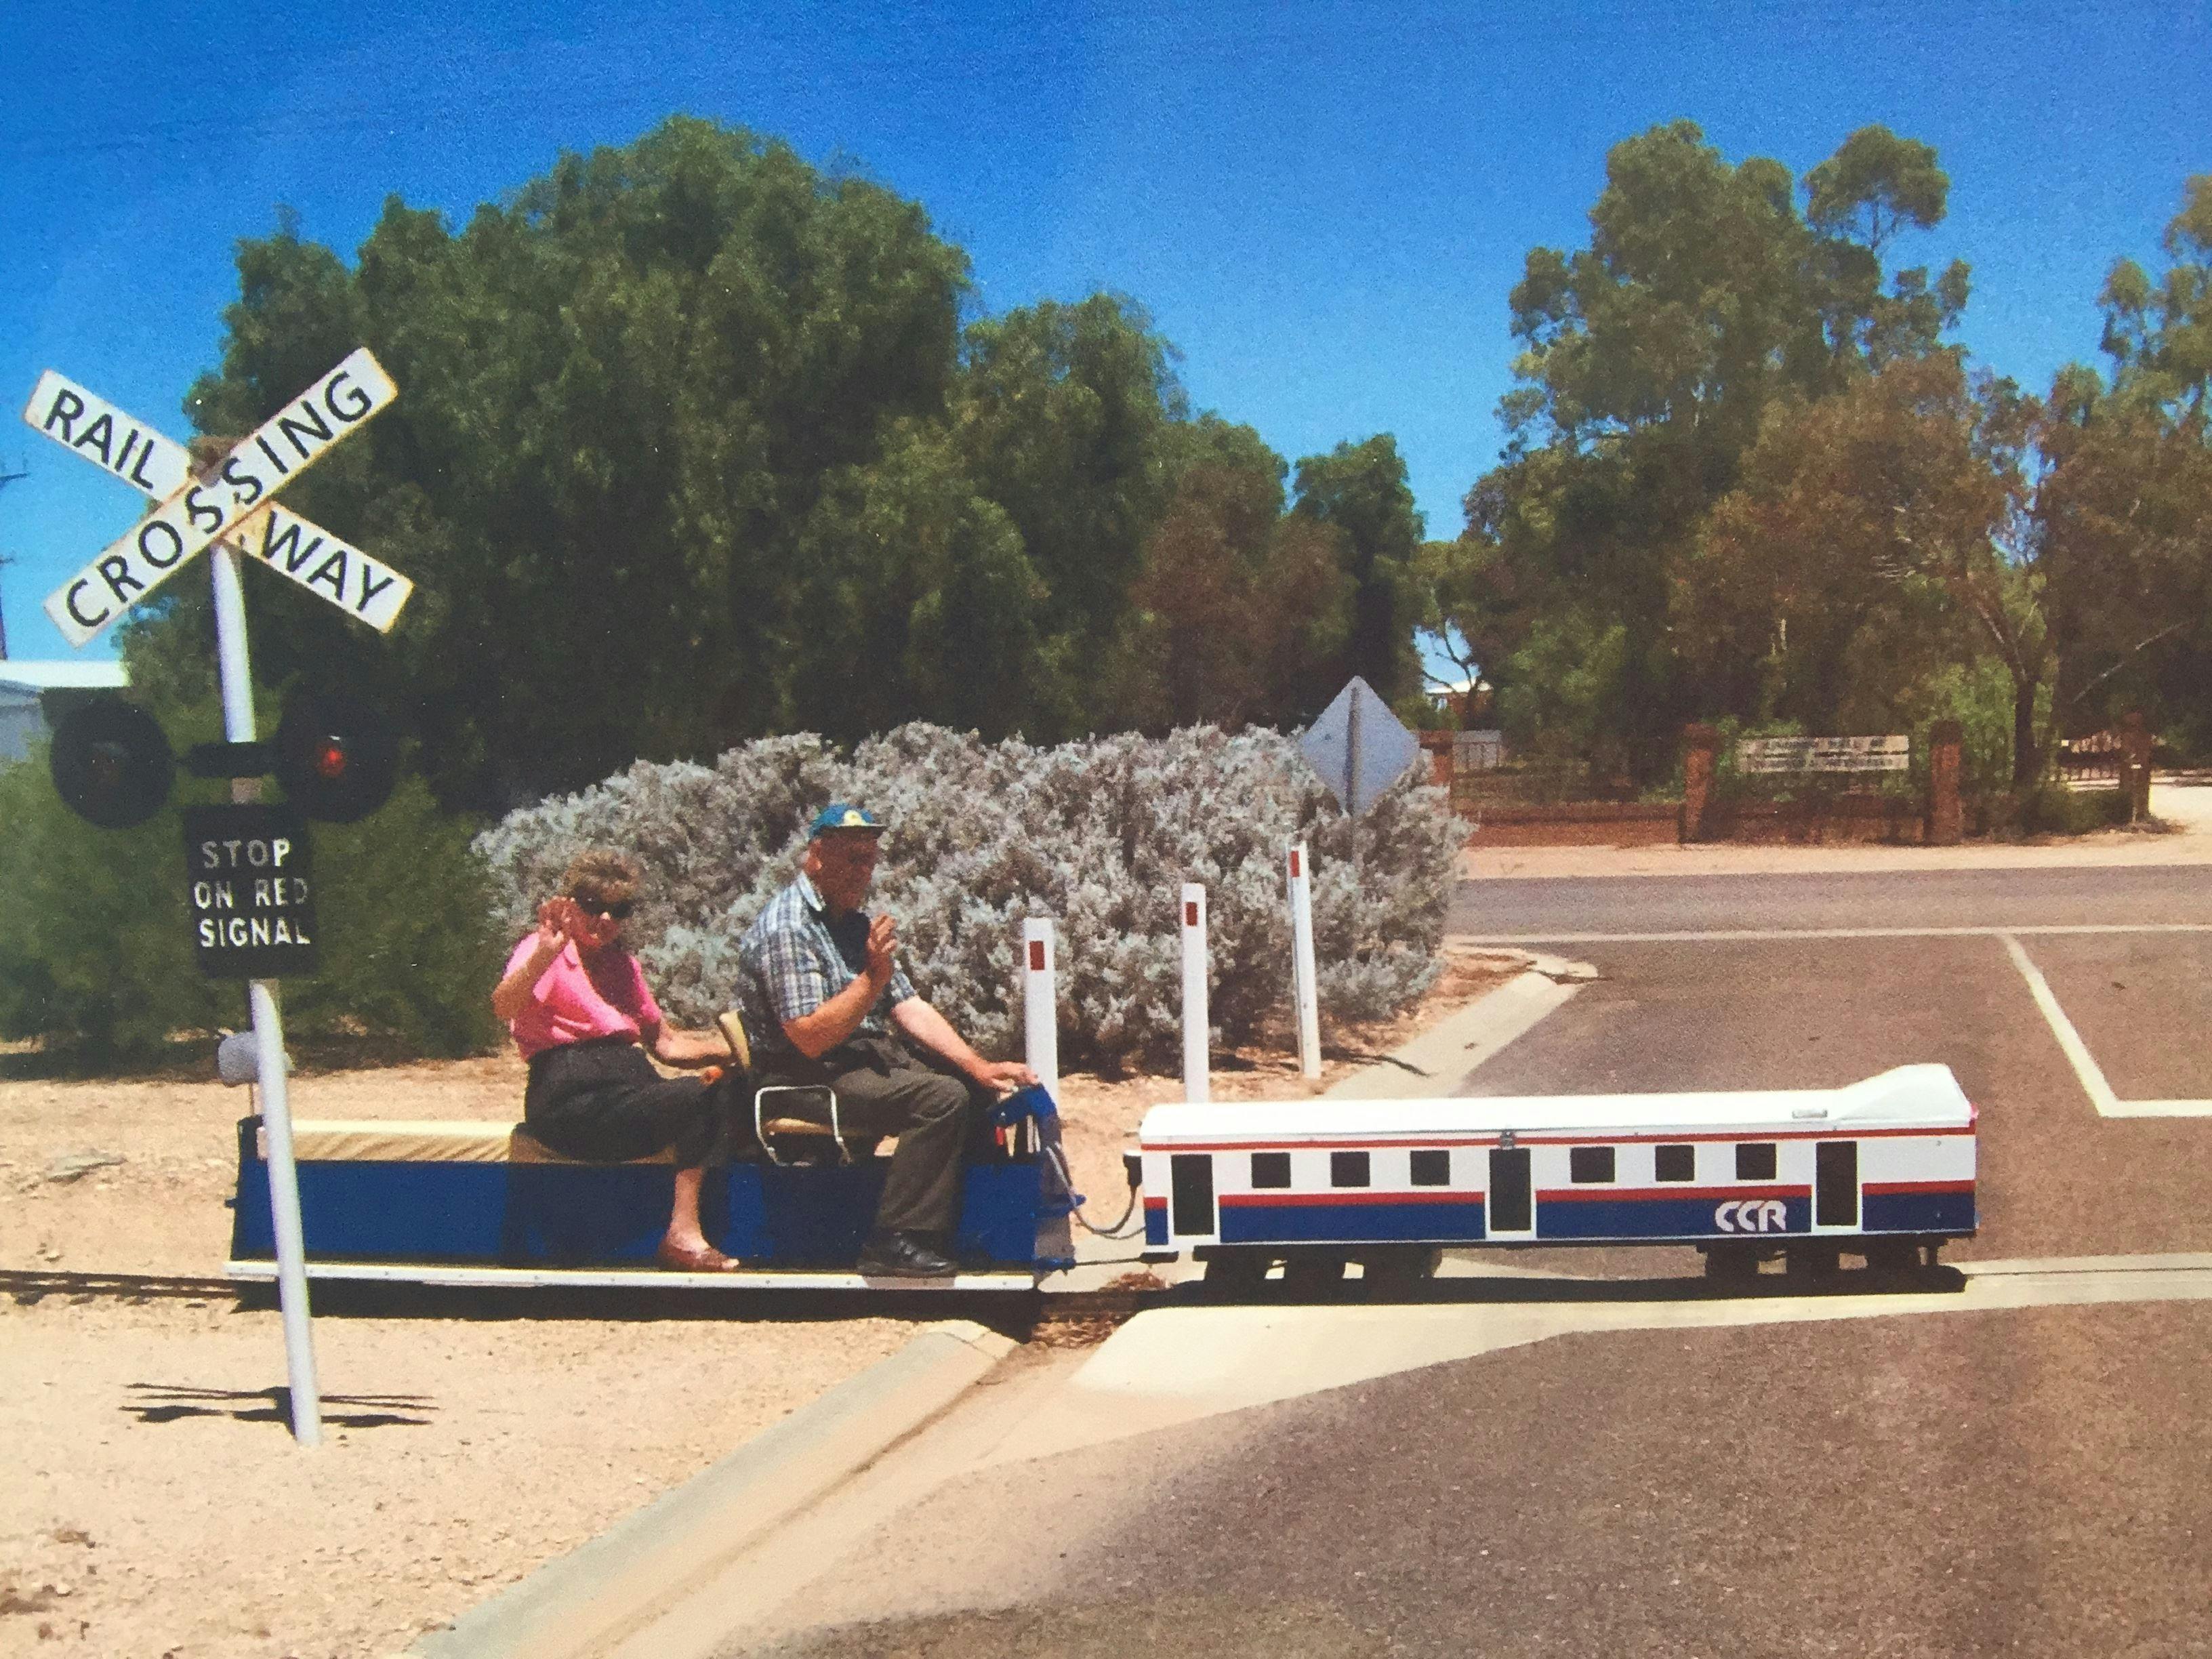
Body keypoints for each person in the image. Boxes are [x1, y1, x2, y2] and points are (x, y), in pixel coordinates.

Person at [735, 803, 1039, 1277]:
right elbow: (811, 1038)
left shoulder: (851, 923)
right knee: (939, 1099)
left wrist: (977, 1065)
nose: (864, 872)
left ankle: (970, 1230)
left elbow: (907, 1006)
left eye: (869, 860)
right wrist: (871, 980)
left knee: (975, 1090)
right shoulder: (788, 928)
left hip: (854, 1059)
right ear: (816, 856)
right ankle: (895, 1239)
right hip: (802, 1075)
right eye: (852, 859)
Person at [491, 849, 744, 1272]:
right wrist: (544, 955)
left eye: (619, 909)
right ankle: (682, 1236)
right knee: (700, 1097)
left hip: (628, 1091)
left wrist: (739, 1050)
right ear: (570, 905)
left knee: (726, 1088)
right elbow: (504, 1006)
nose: (605, 919)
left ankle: (700, 1224)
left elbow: (666, 1044)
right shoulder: (544, 951)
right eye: (593, 906)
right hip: (570, 1095)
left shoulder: (624, 967)